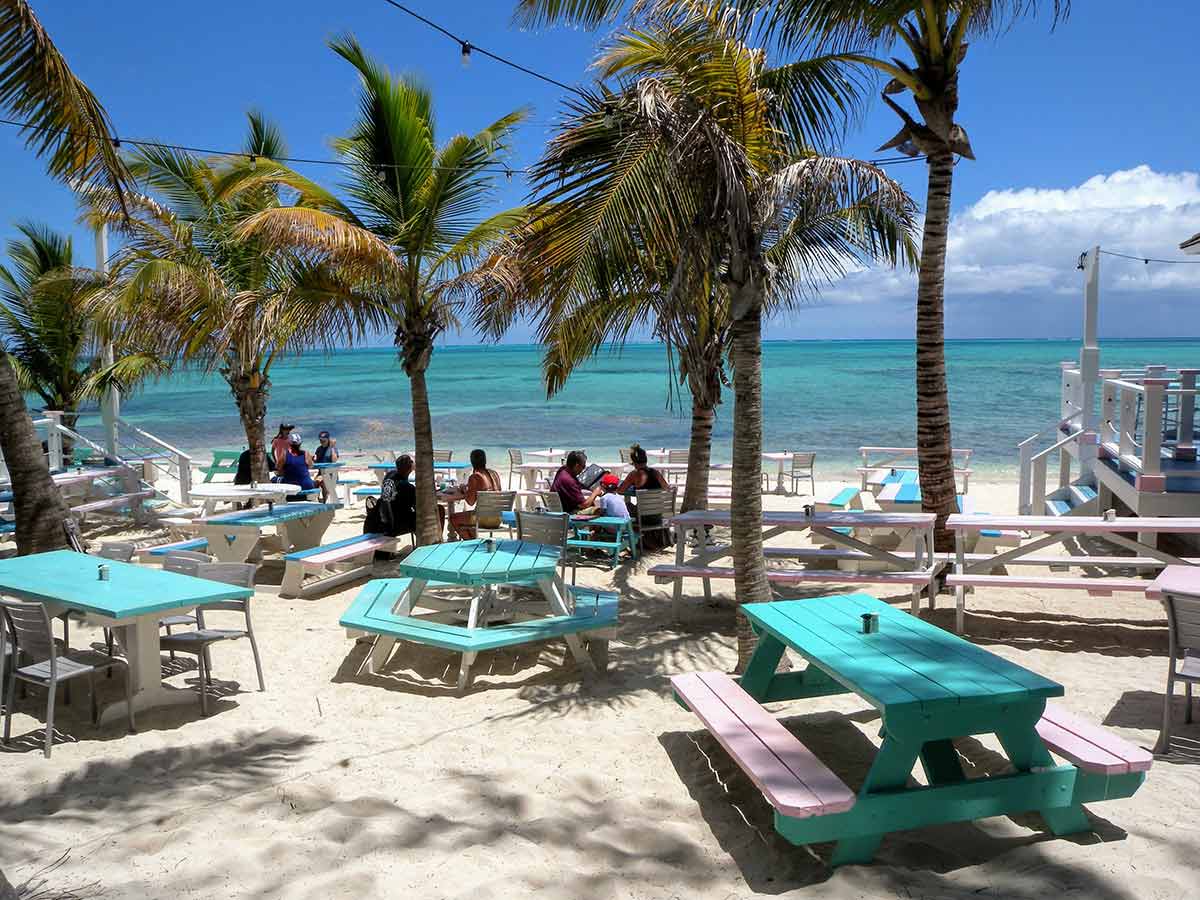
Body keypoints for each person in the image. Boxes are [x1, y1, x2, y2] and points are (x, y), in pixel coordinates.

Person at [445, 449, 504, 540]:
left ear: (472, 461)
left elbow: (470, 502)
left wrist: (464, 491)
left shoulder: (475, 477)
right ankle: (473, 541)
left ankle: (470, 542)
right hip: (497, 518)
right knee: (470, 520)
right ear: (485, 460)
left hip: (482, 519)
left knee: (453, 518)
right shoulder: (494, 473)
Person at [365, 454, 416, 537]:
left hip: (382, 520)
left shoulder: (389, 476)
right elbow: (417, 506)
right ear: (410, 468)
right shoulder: (407, 487)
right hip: (395, 524)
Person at [551, 450, 602, 514]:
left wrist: (587, 485)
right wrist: (595, 493)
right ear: (576, 466)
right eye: (583, 466)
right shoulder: (568, 480)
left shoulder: (562, 470)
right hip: (569, 513)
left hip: (563, 509)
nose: (583, 469)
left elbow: (575, 484)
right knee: (599, 510)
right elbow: (584, 505)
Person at [276, 432, 316, 500]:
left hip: (290, 486)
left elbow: (278, 468)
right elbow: (311, 466)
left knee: (274, 480)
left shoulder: (285, 454)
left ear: (289, 444)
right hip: (307, 486)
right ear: (300, 444)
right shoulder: (306, 454)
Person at [314, 430, 339, 502]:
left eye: (323, 441)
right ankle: (317, 501)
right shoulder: (319, 449)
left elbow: (334, 460)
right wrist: (313, 458)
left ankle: (325, 501)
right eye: (320, 440)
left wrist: (332, 447)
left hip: (331, 474)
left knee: (324, 484)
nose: (321, 442)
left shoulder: (332, 449)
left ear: (328, 440)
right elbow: (315, 461)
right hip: (320, 473)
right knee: (313, 484)